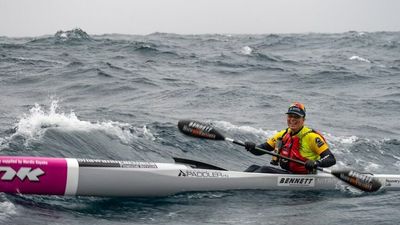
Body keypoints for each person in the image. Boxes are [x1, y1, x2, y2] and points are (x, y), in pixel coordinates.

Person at [244, 102, 336, 174]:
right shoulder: (283, 134)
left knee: (264, 169)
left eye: (296, 117)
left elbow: (330, 158)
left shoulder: (312, 137)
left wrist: (316, 163)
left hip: (305, 176)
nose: (292, 119)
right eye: (290, 116)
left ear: (303, 119)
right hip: (288, 173)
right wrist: (252, 147)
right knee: (253, 167)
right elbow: (261, 150)